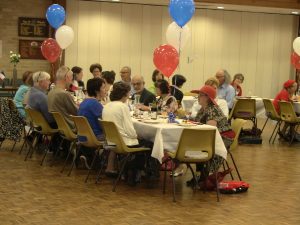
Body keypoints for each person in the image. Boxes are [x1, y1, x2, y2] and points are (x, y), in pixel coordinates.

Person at [102, 81, 148, 185]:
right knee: (149, 142)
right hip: (124, 142)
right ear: (125, 94)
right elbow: (129, 130)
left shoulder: (107, 106)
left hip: (112, 141)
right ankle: (144, 173)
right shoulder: (123, 107)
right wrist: (138, 136)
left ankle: (127, 170)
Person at [78, 77, 107, 169]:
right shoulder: (95, 104)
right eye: (103, 88)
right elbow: (104, 124)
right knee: (117, 137)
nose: (105, 90)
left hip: (82, 136)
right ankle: (108, 164)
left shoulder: (84, 102)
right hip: (94, 136)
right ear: (97, 90)